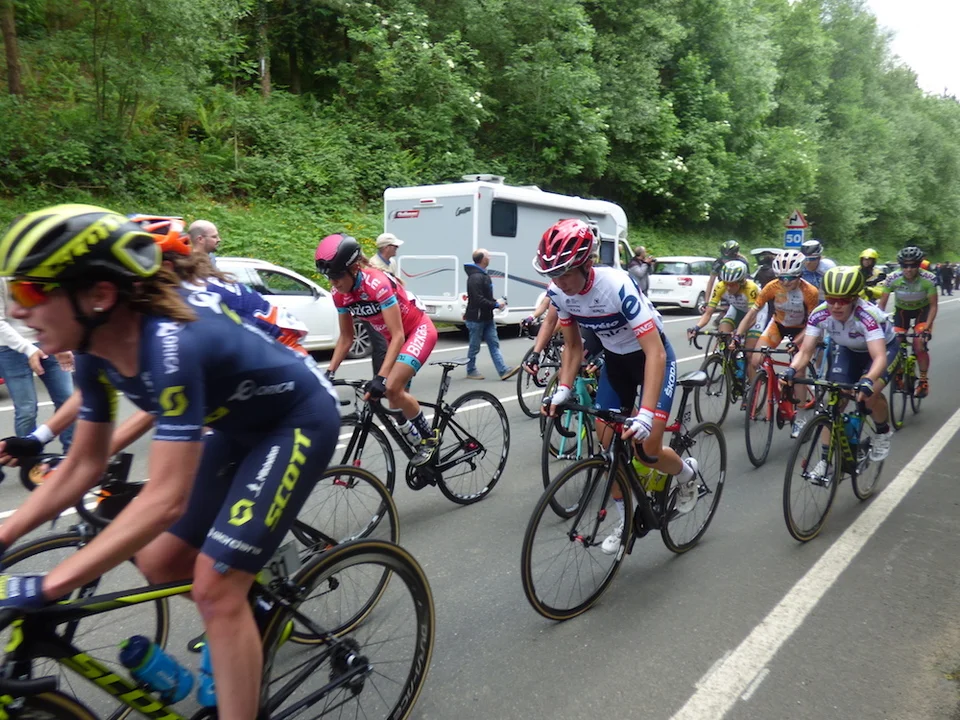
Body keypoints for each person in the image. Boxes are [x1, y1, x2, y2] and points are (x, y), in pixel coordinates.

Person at [0, 204, 339, 720]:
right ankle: (256, 616)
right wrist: (5, 535)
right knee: (159, 562)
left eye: (30, 292)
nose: (17, 311)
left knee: (215, 587)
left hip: (297, 420)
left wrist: (50, 585)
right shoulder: (92, 352)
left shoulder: (171, 344)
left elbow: (165, 499)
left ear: (99, 295)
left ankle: (238, 621)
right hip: (236, 426)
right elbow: (84, 463)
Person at [0, 215, 312, 467]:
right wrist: (40, 437)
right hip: (245, 381)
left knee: (203, 468)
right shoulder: (151, 307)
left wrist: (87, 461)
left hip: (287, 373)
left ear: (165, 268)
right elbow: (96, 383)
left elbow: (162, 402)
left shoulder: (189, 309)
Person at [534, 219, 698, 555]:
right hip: (616, 363)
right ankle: (626, 520)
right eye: (553, 275)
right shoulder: (559, 293)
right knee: (609, 448)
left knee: (648, 449)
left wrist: (646, 413)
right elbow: (573, 347)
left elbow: (654, 352)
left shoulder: (616, 285)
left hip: (652, 358)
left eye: (565, 273)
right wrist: (563, 389)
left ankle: (686, 474)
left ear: (587, 264)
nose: (559, 282)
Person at [316, 233, 442, 466]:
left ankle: (429, 439)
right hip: (396, 339)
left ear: (353, 268)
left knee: (391, 388)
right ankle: (418, 450)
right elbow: (346, 337)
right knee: (393, 402)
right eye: (329, 277)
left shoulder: (377, 284)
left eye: (337, 276)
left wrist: (381, 377)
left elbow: (398, 335)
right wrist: (329, 373)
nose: (333, 283)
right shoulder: (339, 295)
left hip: (417, 331)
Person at [784, 266, 895, 467]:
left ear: (854, 299)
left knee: (869, 394)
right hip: (847, 348)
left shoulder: (867, 315)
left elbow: (879, 357)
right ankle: (825, 462)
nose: (836, 306)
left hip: (882, 349)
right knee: (835, 400)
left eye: (843, 301)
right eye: (831, 299)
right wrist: (791, 370)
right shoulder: (819, 314)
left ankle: (882, 432)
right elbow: (806, 351)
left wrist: (868, 380)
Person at [734, 249, 820, 436]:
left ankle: (801, 417)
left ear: (799, 275)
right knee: (755, 359)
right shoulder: (772, 287)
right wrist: (737, 335)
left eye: (790, 278)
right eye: (781, 277)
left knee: (799, 371)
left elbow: (814, 323)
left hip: (802, 329)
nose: (785, 282)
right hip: (778, 325)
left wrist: (797, 342)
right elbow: (752, 313)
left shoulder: (810, 292)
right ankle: (771, 388)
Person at [0, 277, 76, 453]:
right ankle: (29, 459)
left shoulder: (40, 270)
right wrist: (28, 349)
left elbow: (57, 307)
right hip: (10, 348)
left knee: (67, 401)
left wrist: (62, 341)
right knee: (26, 409)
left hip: (47, 340)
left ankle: (71, 455)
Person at [878, 246, 937, 398]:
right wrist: (879, 324)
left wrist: (927, 328)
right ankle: (898, 373)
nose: (908, 269)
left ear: (919, 265)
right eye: (905, 265)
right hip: (902, 312)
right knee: (896, 341)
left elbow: (933, 306)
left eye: (913, 265)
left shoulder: (928, 279)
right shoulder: (892, 278)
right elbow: (882, 305)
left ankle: (923, 381)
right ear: (900, 265)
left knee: (919, 343)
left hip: (922, 312)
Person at [463, 249, 520, 381]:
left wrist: (496, 302)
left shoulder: (482, 275)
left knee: (494, 344)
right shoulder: (475, 277)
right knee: (475, 347)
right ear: (483, 259)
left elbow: (484, 297)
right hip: (476, 318)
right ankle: (470, 370)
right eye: (488, 256)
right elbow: (478, 299)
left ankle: (503, 370)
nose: (490, 258)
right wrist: (495, 305)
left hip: (487, 317)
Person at [688, 260, 760, 352]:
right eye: (726, 283)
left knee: (749, 352)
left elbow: (752, 318)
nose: (728, 288)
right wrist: (696, 328)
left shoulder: (751, 288)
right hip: (736, 309)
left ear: (741, 282)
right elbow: (708, 313)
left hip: (757, 313)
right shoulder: (720, 287)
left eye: (732, 284)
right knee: (723, 335)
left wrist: (738, 333)